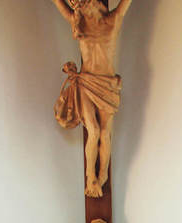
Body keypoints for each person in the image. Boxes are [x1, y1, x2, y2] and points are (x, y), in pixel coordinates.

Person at [49, 0, 133, 197]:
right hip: (85, 83)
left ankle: (102, 177)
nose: (85, 6)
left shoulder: (113, 20)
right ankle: (90, 178)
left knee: (104, 133)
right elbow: (60, 6)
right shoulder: (78, 22)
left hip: (107, 85)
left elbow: (125, 5)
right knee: (93, 131)